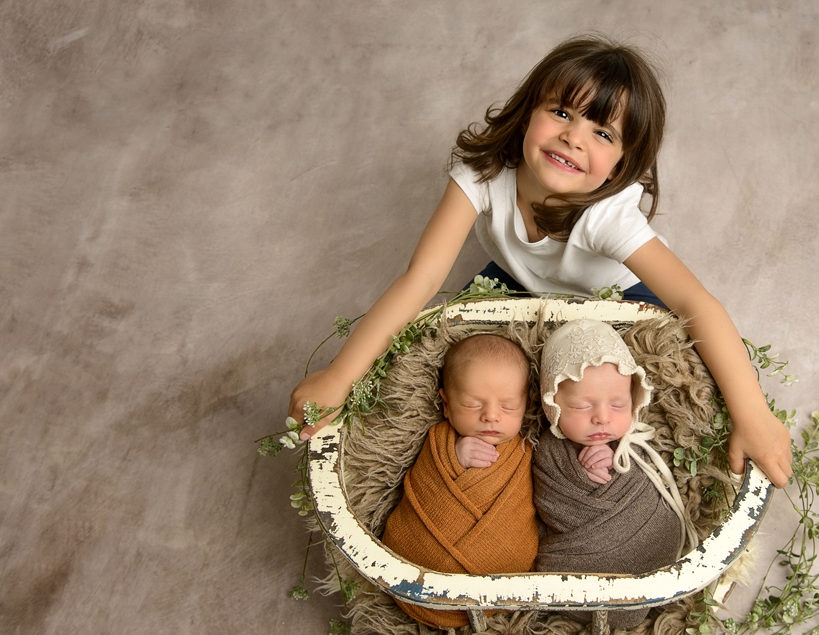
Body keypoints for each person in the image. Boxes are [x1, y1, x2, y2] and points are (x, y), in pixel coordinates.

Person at [289, 34, 793, 489]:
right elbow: (420, 277)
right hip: (516, 282)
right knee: (458, 367)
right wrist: (340, 375)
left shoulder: (606, 217)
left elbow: (694, 300)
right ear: (529, 111)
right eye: (563, 113)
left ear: (623, 164)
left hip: (611, 297)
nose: (574, 137)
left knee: (625, 407)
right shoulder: (483, 174)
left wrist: (753, 413)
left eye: (603, 134)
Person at [533, 319, 698, 628]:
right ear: (552, 404)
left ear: (634, 400)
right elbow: (547, 505)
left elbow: (655, 483)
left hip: (641, 534)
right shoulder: (549, 450)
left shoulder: (634, 441)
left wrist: (617, 461)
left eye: (619, 404)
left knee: (663, 533)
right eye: (582, 407)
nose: (603, 419)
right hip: (582, 552)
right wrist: (581, 477)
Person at [379, 334, 537, 629]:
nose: (491, 416)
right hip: (418, 566)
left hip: (498, 571)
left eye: (508, 406)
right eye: (473, 404)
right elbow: (424, 482)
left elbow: (531, 503)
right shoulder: (440, 439)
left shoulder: (525, 451)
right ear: (447, 404)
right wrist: (454, 456)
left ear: (526, 405)